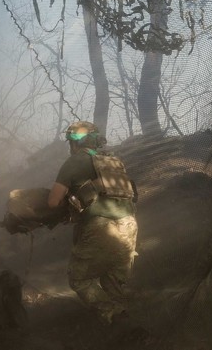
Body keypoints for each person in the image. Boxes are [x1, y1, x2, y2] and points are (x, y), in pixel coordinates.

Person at [47, 121, 138, 325]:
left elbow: (53, 202)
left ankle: (114, 314)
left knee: (79, 279)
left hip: (102, 226)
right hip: (129, 224)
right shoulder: (114, 161)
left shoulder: (75, 161)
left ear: (74, 143)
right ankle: (125, 328)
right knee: (113, 280)